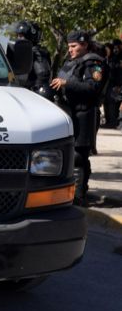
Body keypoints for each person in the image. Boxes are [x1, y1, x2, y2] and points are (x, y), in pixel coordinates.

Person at [50, 30, 108, 205]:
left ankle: (79, 196)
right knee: (66, 155)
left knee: (79, 156)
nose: (71, 50)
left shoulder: (93, 63)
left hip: (84, 114)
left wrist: (67, 83)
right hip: (68, 113)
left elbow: (92, 88)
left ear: (84, 45)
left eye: (74, 46)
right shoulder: (72, 62)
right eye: (69, 46)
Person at [14, 20, 53, 97]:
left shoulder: (37, 52)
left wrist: (33, 91)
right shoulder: (19, 51)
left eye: (21, 36)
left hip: (28, 94)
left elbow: (43, 74)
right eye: (18, 36)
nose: (19, 39)